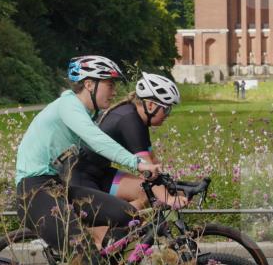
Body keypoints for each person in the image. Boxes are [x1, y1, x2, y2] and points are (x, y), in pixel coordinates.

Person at [14, 55, 160, 265]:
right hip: (34, 192)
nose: (114, 91)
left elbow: (94, 148)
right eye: (110, 84)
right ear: (89, 84)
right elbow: (96, 140)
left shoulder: (86, 113)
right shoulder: (68, 105)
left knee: (127, 215)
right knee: (87, 258)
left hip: (55, 187)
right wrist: (138, 163)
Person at [66, 72, 187, 211]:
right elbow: (147, 170)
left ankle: (129, 225)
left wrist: (173, 188)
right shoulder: (129, 120)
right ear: (151, 105)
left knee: (147, 193)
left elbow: (152, 160)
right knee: (108, 230)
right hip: (80, 177)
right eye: (166, 109)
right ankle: (122, 226)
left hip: (102, 173)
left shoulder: (138, 118)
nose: (168, 115)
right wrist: (169, 198)